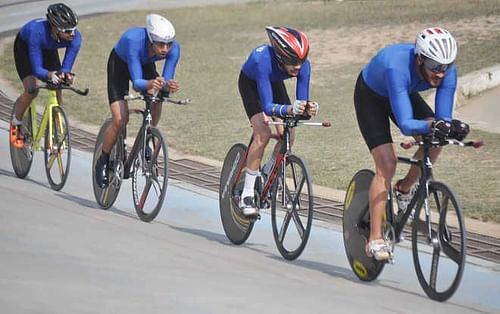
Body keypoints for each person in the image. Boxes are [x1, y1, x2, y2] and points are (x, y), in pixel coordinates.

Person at [353, 27, 470, 260]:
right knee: (387, 164)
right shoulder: (395, 67)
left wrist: (450, 127)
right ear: (419, 59)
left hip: (404, 93)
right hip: (372, 97)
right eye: (435, 67)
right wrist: (432, 125)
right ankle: (375, 238)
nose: (440, 74)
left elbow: (442, 120)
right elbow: (407, 124)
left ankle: (404, 189)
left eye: (445, 67)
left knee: (438, 139)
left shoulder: (447, 72)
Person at [238, 26, 319, 217]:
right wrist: (290, 109)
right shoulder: (262, 60)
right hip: (251, 83)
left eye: (301, 60)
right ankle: (247, 195)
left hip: (273, 82)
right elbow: (267, 107)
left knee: (289, 133)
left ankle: (267, 172)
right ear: (281, 56)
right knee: (263, 132)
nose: (298, 66)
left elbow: (300, 104)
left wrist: (307, 109)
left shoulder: (303, 66)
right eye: (293, 62)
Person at [94, 14, 180, 188]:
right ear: (150, 40)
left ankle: (146, 137)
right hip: (120, 66)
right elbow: (137, 83)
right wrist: (150, 83)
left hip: (144, 64)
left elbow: (164, 81)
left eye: (168, 44)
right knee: (120, 119)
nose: (165, 49)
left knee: (158, 99)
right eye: (160, 44)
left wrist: (167, 85)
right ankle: (103, 160)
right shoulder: (133, 41)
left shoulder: (174, 49)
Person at [10, 2, 81, 148]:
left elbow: (66, 67)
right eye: (67, 30)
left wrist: (64, 75)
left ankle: (55, 132)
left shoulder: (75, 38)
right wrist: (49, 74)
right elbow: (37, 69)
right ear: (54, 28)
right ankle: (16, 123)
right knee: (32, 89)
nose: (72, 34)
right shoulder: (37, 33)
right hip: (26, 46)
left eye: (74, 29)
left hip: (48, 48)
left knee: (58, 86)